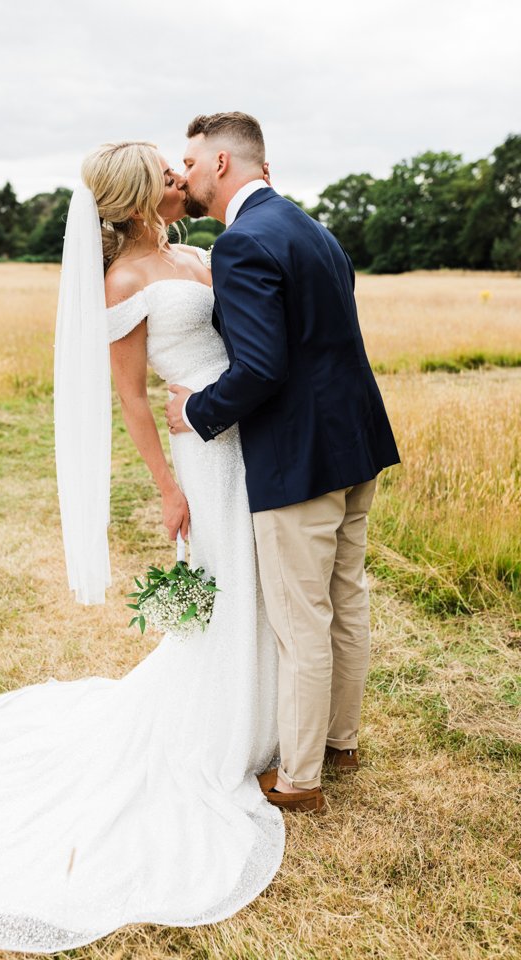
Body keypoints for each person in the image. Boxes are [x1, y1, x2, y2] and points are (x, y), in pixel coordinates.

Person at [0, 140, 284, 954]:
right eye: (169, 179)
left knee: (266, 578)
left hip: (251, 431)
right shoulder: (121, 284)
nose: (181, 184)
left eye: (183, 175)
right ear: (139, 197)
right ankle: (234, 733)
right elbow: (133, 400)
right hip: (201, 452)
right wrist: (167, 489)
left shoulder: (198, 252)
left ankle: (273, 719)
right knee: (226, 579)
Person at [166, 112, 400, 812]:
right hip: (356, 444)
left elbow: (263, 366)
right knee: (346, 600)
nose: (185, 174)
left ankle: (300, 779)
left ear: (225, 165)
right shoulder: (314, 230)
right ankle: (341, 740)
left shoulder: (241, 244)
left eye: (193, 161)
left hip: (299, 462)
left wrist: (200, 410)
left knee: (301, 621)